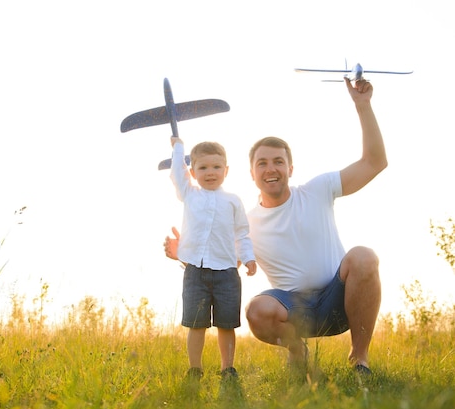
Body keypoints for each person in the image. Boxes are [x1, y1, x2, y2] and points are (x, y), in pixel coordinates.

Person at [164, 78, 385, 375]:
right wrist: (182, 254)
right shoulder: (246, 221)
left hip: (338, 299)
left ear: (290, 169)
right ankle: (297, 351)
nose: (271, 169)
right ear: (251, 174)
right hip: (292, 309)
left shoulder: (318, 190)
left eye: (278, 161)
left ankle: (359, 360)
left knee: (364, 256)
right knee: (257, 310)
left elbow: (374, 162)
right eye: (262, 163)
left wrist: (363, 105)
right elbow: (220, 261)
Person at [169, 136, 257, 385]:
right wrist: (178, 148)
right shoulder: (190, 195)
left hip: (227, 272)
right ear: (193, 172)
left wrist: (248, 257)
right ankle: (194, 368)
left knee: (226, 324)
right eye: (203, 168)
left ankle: (227, 368)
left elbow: (241, 233)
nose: (210, 173)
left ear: (226, 170)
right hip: (195, 270)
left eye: (216, 167)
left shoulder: (232, 201)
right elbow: (177, 173)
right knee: (196, 324)